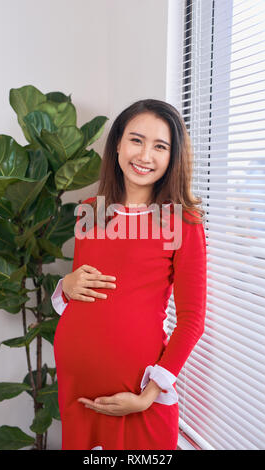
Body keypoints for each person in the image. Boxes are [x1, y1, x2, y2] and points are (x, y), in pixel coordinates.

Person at [51, 98, 207, 450]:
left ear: (172, 157)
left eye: (160, 146)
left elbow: (192, 320)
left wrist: (148, 395)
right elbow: (86, 293)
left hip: (137, 394)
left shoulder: (182, 221)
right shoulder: (90, 212)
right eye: (136, 140)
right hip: (78, 387)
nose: (145, 155)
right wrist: (65, 285)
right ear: (118, 143)